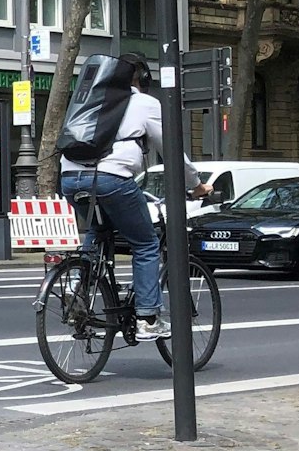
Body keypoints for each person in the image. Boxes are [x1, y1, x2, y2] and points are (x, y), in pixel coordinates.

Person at [59, 53, 209, 341]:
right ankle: (147, 318)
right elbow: (173, 149)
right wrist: (196, 184)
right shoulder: (144, 103)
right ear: (143, 79)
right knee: (146, 243)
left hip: (69, 179)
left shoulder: (87, 99)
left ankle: (76, 283)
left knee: (98, 228)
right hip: (110, 179)